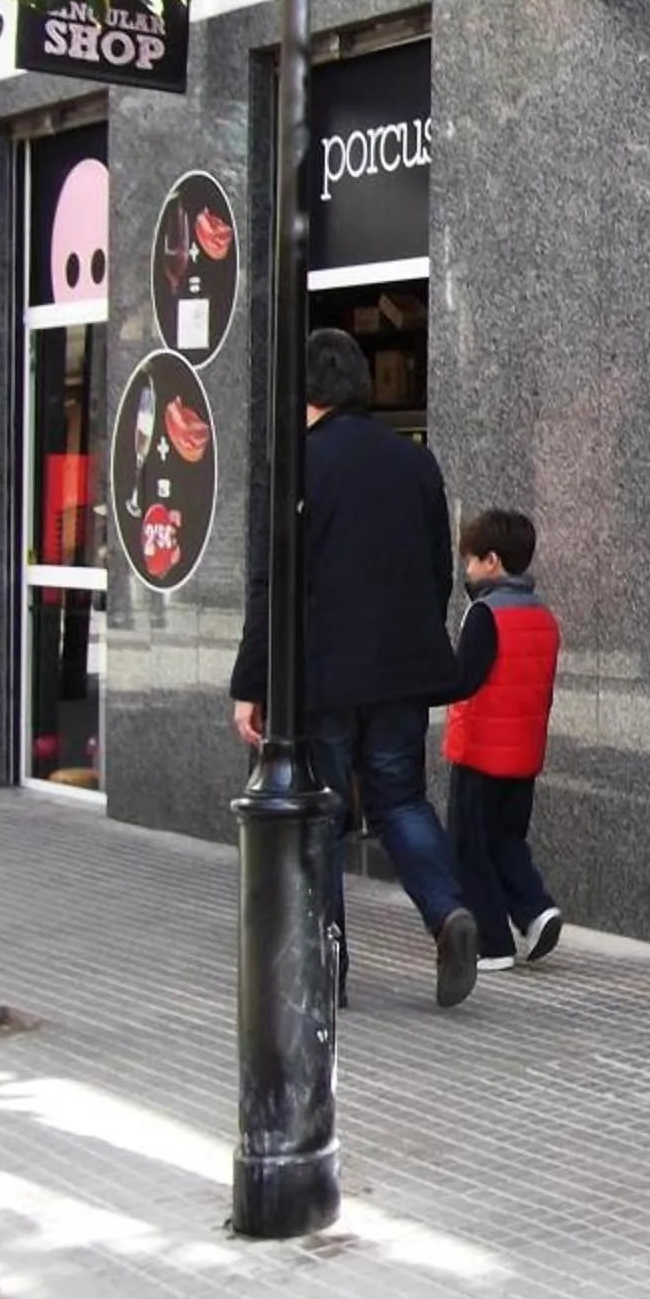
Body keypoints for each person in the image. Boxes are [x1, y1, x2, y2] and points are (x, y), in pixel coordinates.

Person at [229, 328, 477, 1009]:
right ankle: (449, 912)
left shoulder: (298, 466)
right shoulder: (416, 464)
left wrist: (250, 685)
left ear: (302, 391)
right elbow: (437, 571)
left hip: (326, 675)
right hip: (402, 668)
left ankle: (327, 964)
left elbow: (271, 587)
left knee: (323, 817)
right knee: (399, 798)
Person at [443, 507, 565, 973]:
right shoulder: (542, 616)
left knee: (469, 846)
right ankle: (535, 910)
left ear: (491, 561)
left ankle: (493, 943)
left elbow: (464, 679)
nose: (467, 571)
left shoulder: (484, 614)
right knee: (507, 839)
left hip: (479, 751)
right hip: (524, 752)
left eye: (470, 560)